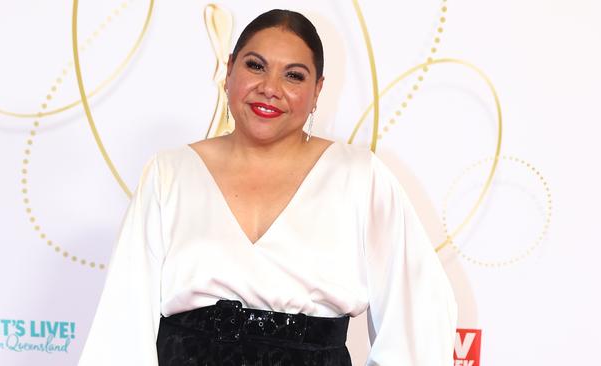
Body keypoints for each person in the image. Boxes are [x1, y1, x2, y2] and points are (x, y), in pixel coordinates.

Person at [78, 9, 457, 366]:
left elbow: (418, 315)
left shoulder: (360, 177)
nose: (270, 88)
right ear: (229, 70)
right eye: (255, 66)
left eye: (293, 75)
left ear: (317, 90)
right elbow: (122, 326)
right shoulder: (169, 174)